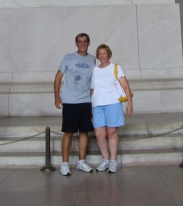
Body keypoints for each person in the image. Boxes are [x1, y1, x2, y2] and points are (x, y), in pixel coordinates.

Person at [54, 33, 96, 176]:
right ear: (76, 43)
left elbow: (94, 79)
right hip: (70, 101)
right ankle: (65, 164)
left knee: (84, 132)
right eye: (80, 41)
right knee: (69, 132)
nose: (82, 43)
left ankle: (81, 162)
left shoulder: (92, 59)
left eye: (85, 41)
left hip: (86, 101)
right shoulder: (68, 57)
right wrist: (56, 96)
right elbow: (58, 77)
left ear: (89, 43)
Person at [90, 44, 133, 173]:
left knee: (111, 133)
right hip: (97, 105)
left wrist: (129, 104)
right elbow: (92, 90)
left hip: (113, 103)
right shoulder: (95, 70)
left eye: (104, 53)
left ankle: (113, 161)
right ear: (97, 56)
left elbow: (125, 86)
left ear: (108, 54)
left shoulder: (116, 67)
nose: (102, 56)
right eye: (100, 53)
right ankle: (105, 160)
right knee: (99, 134)